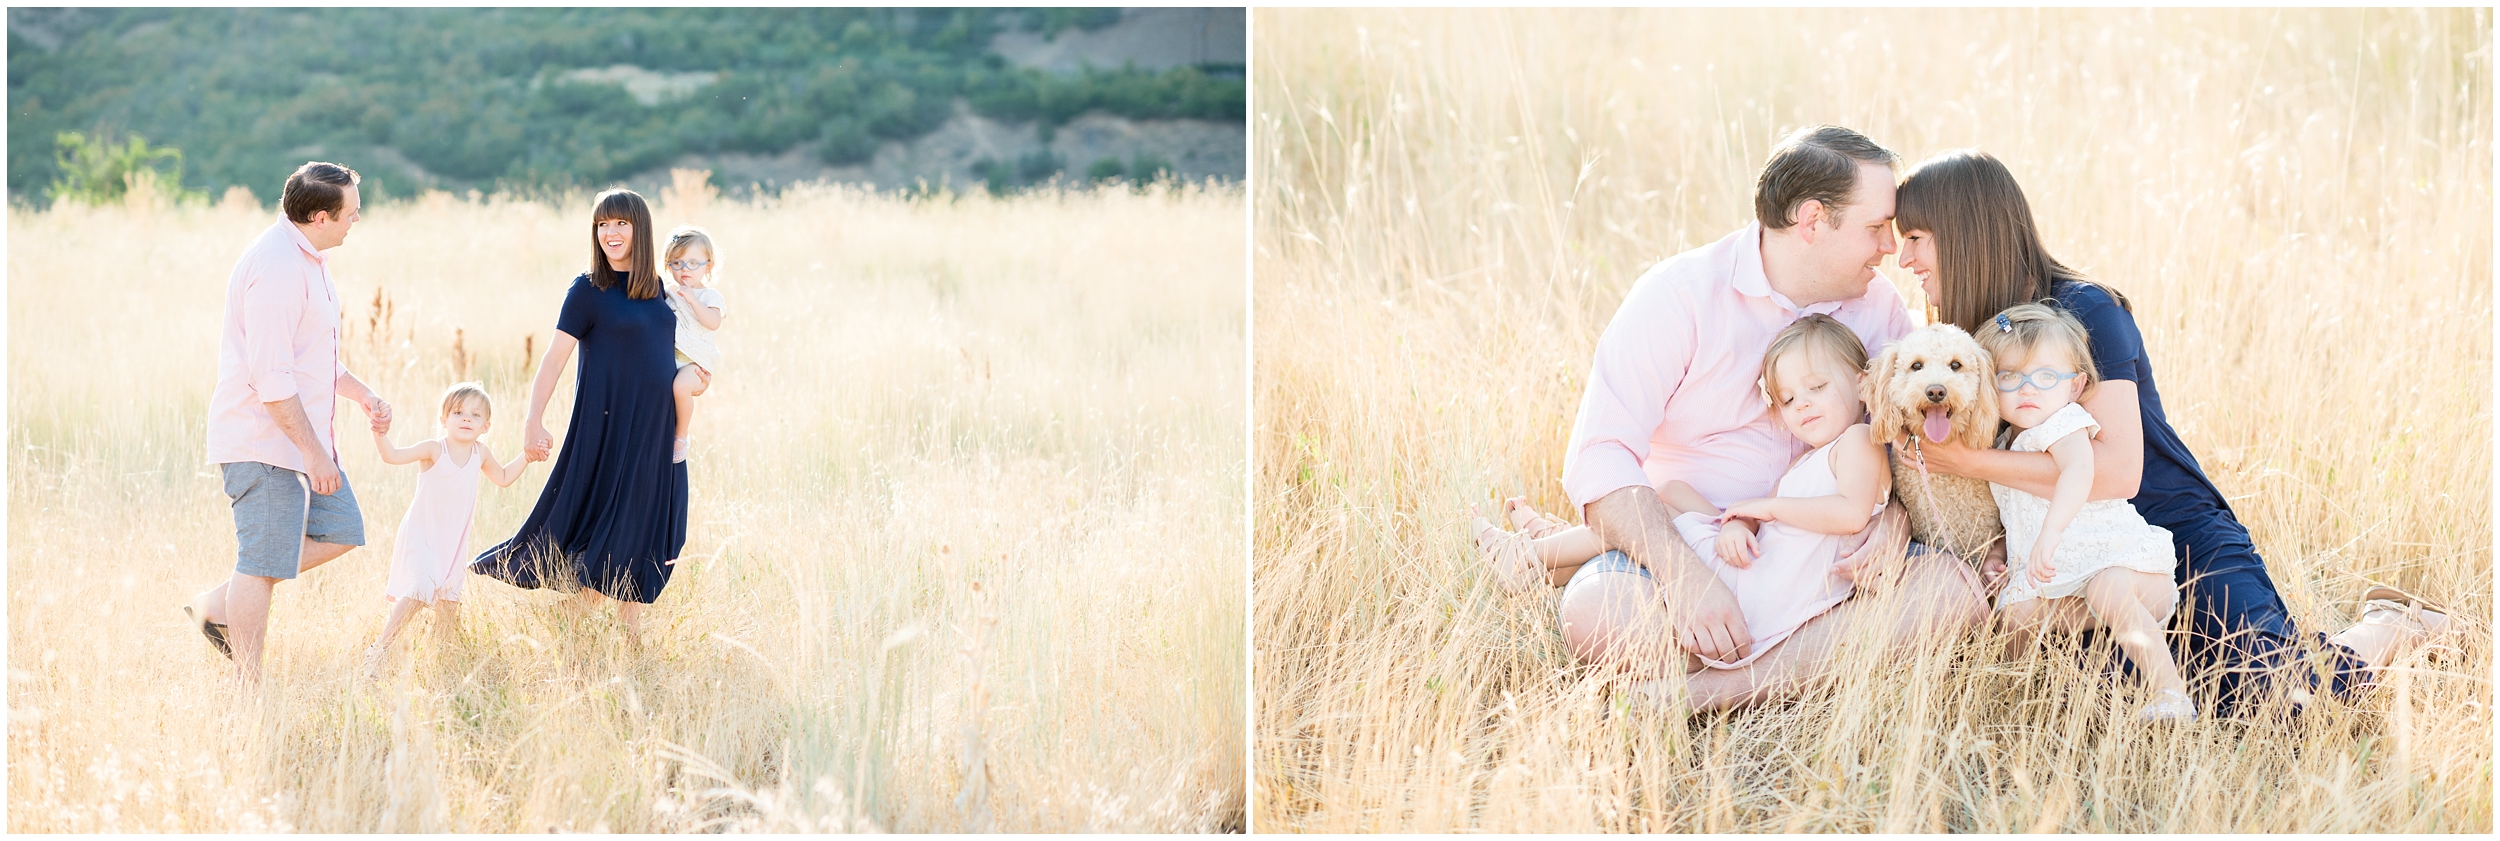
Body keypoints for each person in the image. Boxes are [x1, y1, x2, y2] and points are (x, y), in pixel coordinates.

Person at [1894, 148, 2459, 716]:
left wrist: (1970, 464)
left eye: (1916, 237)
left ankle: (2391, 625)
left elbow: (2115, 471)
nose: (1903, 256)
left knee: (2277, 698)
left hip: (2173, 533)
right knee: (2121, 707)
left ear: (1966, 232)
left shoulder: (2085, 310)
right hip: (2079, 566)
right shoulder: (1959, 346)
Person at [1490, 125, 1993, 712]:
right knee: (1599, 616)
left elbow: (1905, 432)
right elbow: (1601, 458)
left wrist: (1893, 526)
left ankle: (1701, 694)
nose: (1891, 249)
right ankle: (1803, 662)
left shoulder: (1876, 305)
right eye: (1876, 227)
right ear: (1812, 222)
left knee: (1952, 596)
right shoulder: (1677, 296)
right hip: (1694, 547)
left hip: (1827, 558)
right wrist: (1684, 580)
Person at [1481, 315, 1891, 672]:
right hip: (1760, 566)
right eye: (1787, 399)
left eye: (1817, 386)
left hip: (1765, 593)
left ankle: (1530, 555)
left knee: (1654, 510)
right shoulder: (1807, 460)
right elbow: (1763, 518)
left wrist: (1763, 508)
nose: (1802, 405)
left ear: (1861, 385)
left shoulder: (1859, 440)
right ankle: (1552, 553)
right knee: (1673, 491)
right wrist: (1740, 523)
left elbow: (1851, 513)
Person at [188, 161, 393, 686]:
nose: (356, 221)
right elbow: (271, 378)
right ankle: (249, 688)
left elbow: (312, 358)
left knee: (343, 529)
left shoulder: (310, 258)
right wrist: (313, 452)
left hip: (297, 441)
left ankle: (216, 604)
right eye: (352, 213)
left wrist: (361, 394)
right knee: (259, 564)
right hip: (264, 441)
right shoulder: (277, 267)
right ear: (321, 216)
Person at [470, 188, 696, 639]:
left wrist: (695, 379)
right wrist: (533, 420)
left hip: (655, 430)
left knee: (646, 526)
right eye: (602, 224)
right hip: (608, 428)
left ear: (640, 228)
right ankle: (578, 632)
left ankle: (627, 638)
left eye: (620, 224)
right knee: (604, 527)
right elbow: (553, 359)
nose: (610, 233)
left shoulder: (660, 292)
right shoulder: (589, 289)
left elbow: (690, 346)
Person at [1975, 304, 2194, 722]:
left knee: (2106, 590)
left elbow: (2080, 470)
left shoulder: (2064, 426)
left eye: (2044, 377)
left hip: (2124, 568)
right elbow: (2016, 510)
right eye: (2009, 377)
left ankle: (2171, 694)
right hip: (2065, 576)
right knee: (2011, 616)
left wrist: (2052, 532)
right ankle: (2017, 696)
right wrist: (1999, 553)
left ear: (2075, 386)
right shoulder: (2007, 444)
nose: (2026, 390)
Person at [362, 383, 540, 678]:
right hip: (423, 534)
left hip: (453, 544)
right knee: (420, 588)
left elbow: (505, 477)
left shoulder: (480, 454)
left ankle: (441, 670)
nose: (466, 418)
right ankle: (379, 649)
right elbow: (391, 455)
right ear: (444, 419)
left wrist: (527, 456)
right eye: (458, 412)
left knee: (448, 607)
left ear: (486, 425)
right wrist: (380, 433)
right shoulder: (434, 449)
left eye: (475, 414)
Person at [660, 225, 726, 464]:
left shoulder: (709, 296)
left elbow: (713, 322)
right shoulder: (668, 292)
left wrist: (692, 299)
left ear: (707, 266)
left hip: (694, 362)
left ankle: (681, 435)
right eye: (676, 263)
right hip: (670, 356)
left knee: (680, 387)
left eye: (692, 263)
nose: (684, 269)